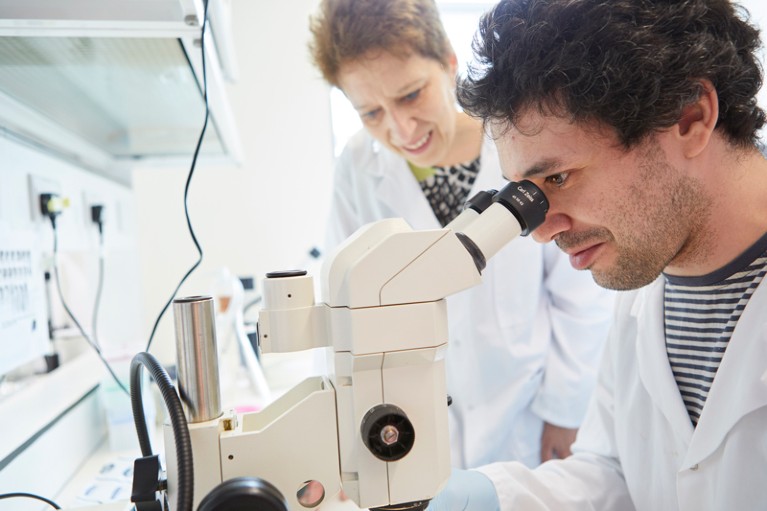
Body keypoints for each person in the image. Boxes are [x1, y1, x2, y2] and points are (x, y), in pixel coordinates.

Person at [426, 0, 767, 510]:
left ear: (689, 117)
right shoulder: (645, 282)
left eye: (557, 178)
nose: (542, 232)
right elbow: (617, 472)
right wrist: (493, 500)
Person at [308, 0, 614, 482]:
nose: (400, 130)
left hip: (528, 417)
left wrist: (564, 409)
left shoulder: (518, 142)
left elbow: (577, 294)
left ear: (449, 63)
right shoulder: (358, 170)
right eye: (370, 112)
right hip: (416, 424)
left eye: (411, 95)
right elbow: (342, 299)